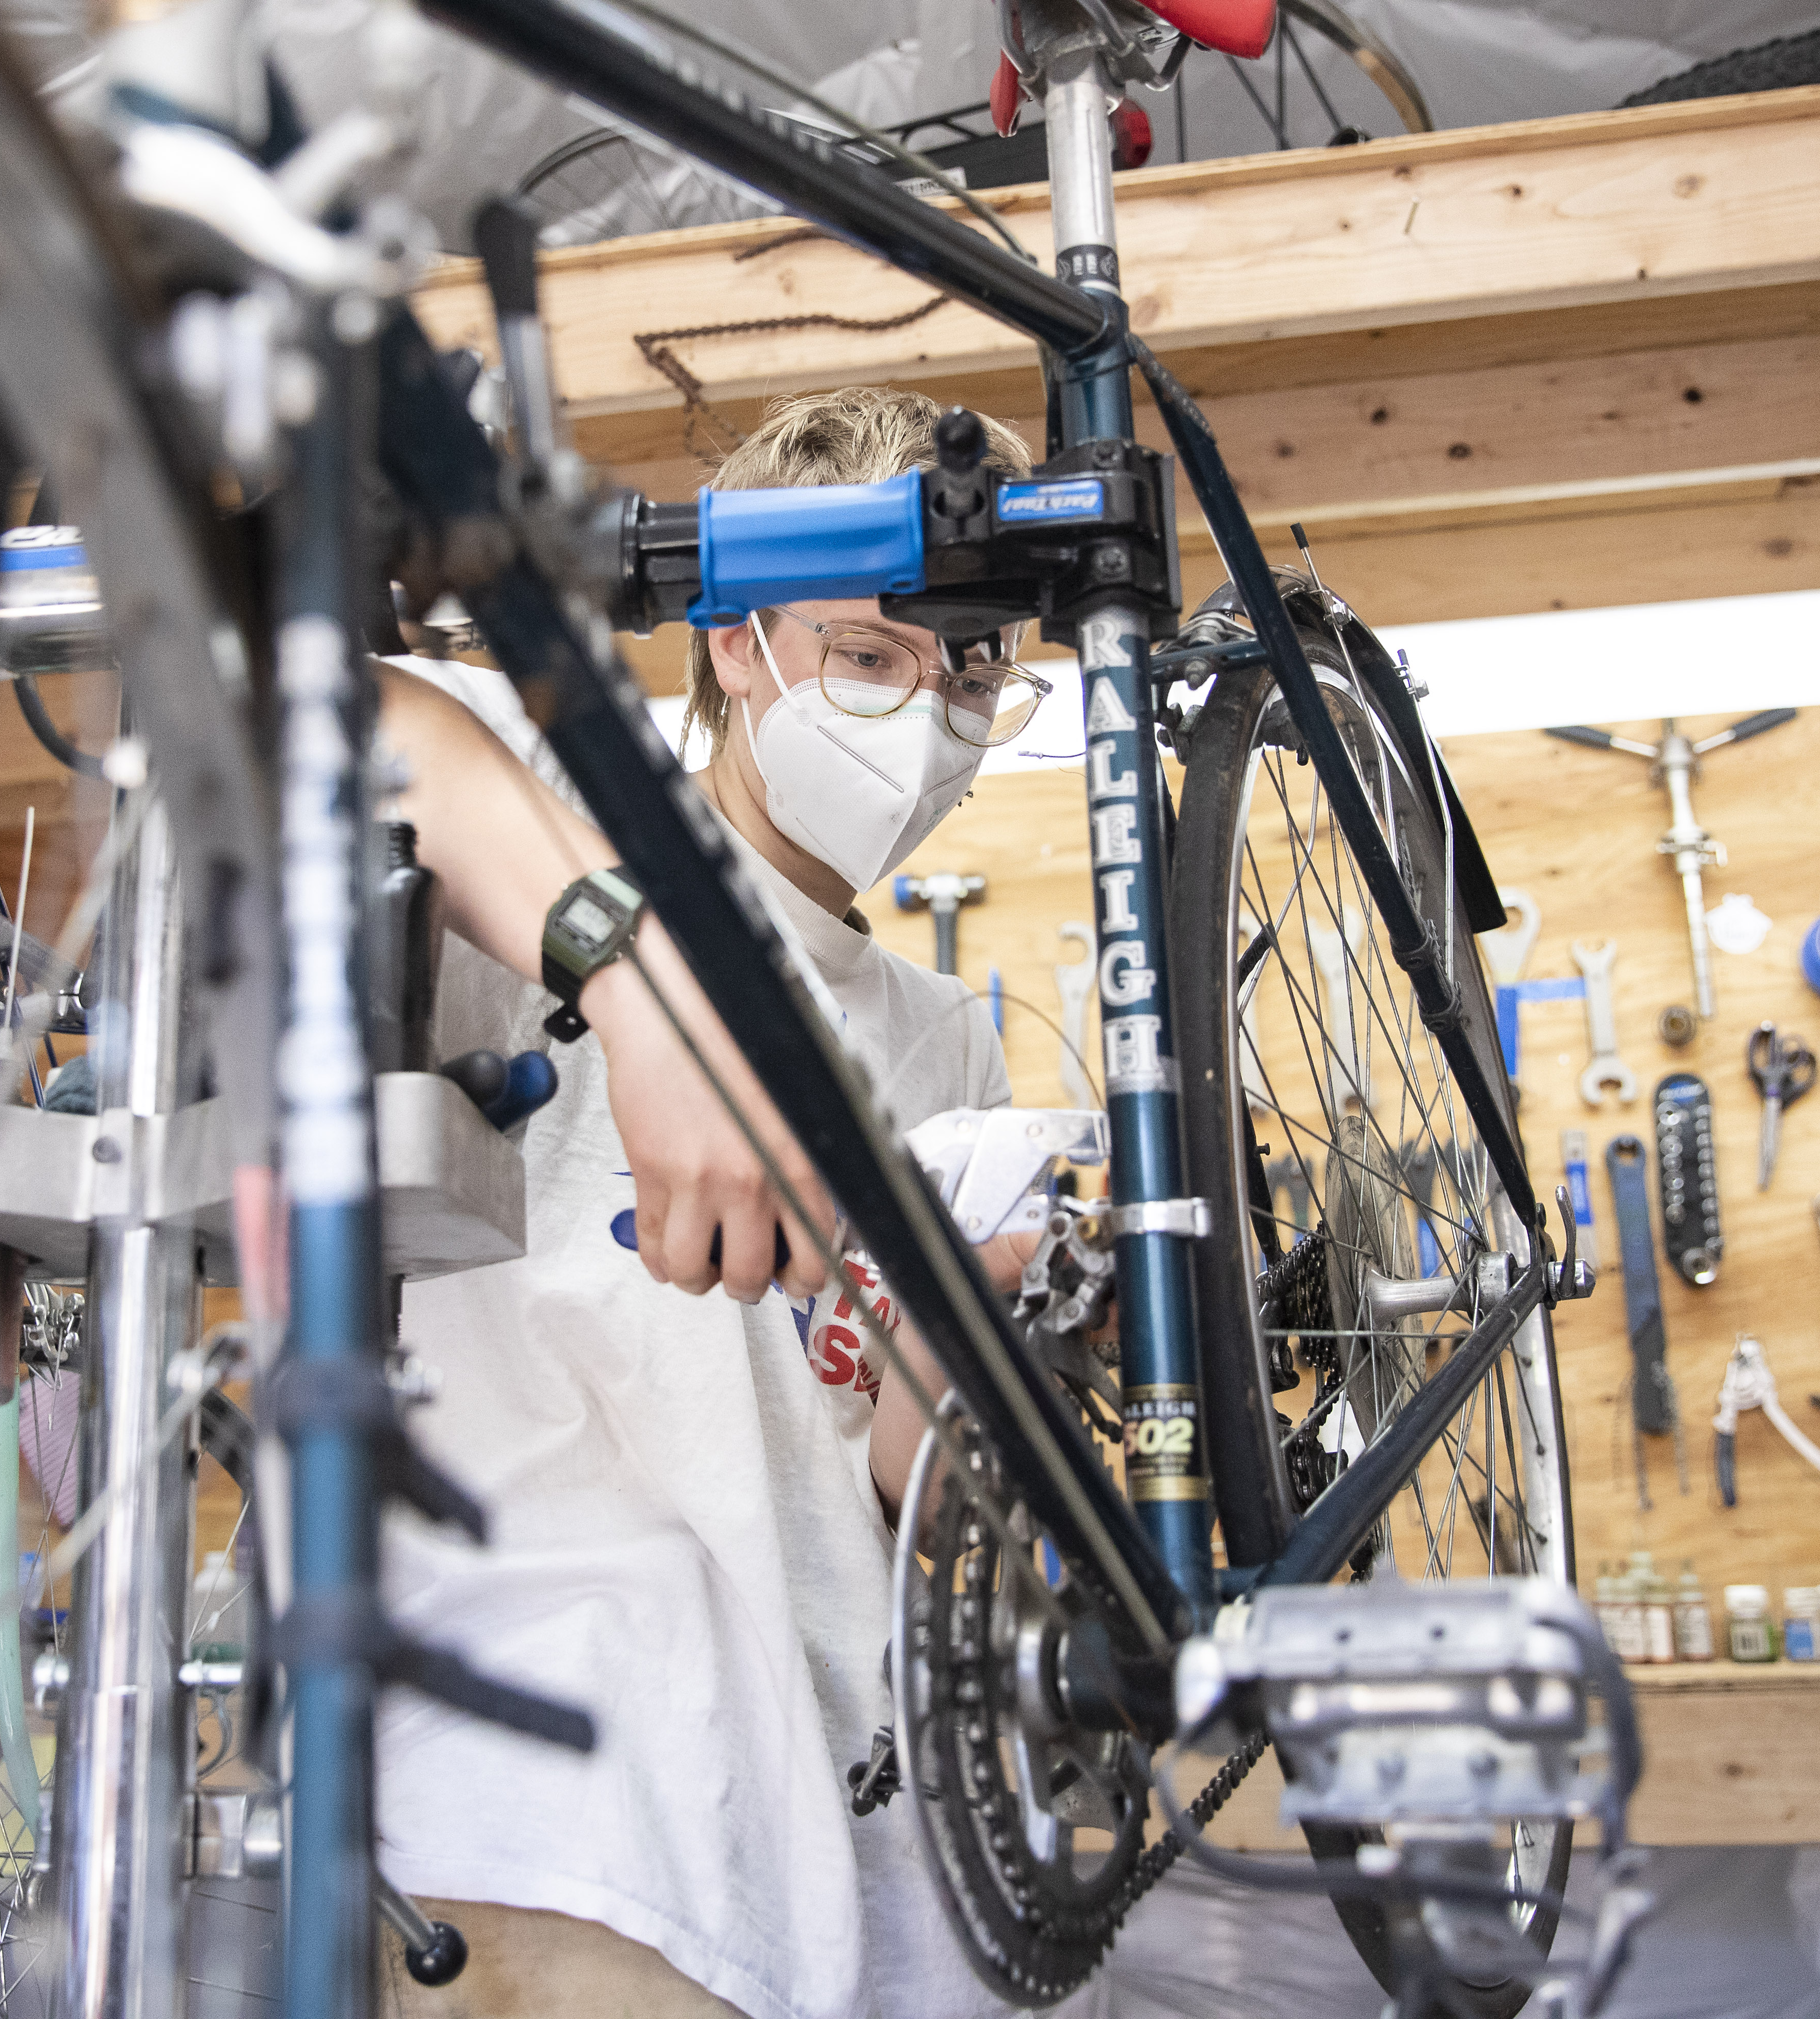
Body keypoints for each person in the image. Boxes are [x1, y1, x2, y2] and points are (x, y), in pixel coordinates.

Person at [365, 385, 1048, 2019]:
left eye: (970, 677)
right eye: (872, 660)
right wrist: (633, 982)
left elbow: (880, 1475)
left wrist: (970, 1351)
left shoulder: (942, 1034)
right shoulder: (562, 792)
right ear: (737, 643)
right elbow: (323, 704)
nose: (929, 721)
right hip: (561, 1803)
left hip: (824, 1831)